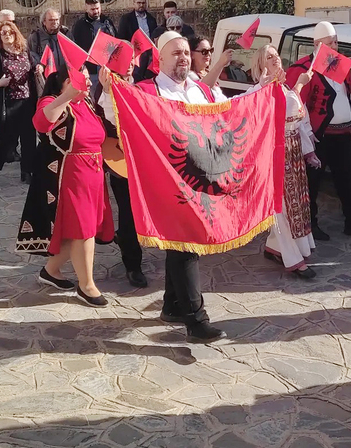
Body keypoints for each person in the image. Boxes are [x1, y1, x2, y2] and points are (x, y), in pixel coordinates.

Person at [101, 31, 225, 342]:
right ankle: (196, 320)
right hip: (167, 182)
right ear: (160, 59)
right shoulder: (147, 90)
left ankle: (172, 305)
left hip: (199, 180)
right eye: (176, 53)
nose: (184, 57)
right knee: (186, 246)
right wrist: (108, 91)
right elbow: (117, 116)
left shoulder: (201, 91)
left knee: (183, 246)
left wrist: (267, 87)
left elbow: (231, 111)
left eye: (186, 52)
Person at [16, 64, 114, 307]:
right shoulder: (53, 100)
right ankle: (87, 285)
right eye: (82, 78)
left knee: (79, 227)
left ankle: (50, 271)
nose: (89, 82)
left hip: (92, 173)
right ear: (65, 82)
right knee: (82, 229)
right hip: (69, 175)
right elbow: (41, 123)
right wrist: (69, 95)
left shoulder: (87, 104)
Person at [286, 20, 351, 242]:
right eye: (330, 42)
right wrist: (307, 136)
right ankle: (311, 225)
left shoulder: (338, 64)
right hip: (318, 137)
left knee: (347, 180)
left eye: (335, 41)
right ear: (317, 44)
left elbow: (348, 95)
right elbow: (298, 104)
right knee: (312, 184)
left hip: (342, 135)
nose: (334, 45)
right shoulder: (303, 69)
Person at [246, 45, 320, 278]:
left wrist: (309, 151)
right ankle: (292, 257)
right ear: (260, 65)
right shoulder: (257, 91)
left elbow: (298, 121)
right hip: (273, 154)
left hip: (294, 151)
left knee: (295, 203)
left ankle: (275, 246)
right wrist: (264, 86)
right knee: (280, 207)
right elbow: (251, 113)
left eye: (276, 55)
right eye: (269, 57)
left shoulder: (286, 89)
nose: (276, 59)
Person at [95, 65, 148, 289]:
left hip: (145, 160)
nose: (129, 68)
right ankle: (132, 264)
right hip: (120, 159)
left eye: (131, 63)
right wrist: (108, 91)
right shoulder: (104, 91)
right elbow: (111, 120)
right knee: (128, 212)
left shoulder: (145, 86)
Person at [0, 21, 38, 185]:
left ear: (15, 34)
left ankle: (27, 171)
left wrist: (38, 68)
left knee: (28, 138)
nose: (7, 35)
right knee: (5, 137)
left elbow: (33, 68)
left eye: (10, 32)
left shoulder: (24, 51)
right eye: (3, 33)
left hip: (27, 101)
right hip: (8, 103)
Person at [72, 0, 116, 94]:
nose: (95, 11)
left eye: (97, 8)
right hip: (91, 70)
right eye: (92, 9)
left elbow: (115, 40)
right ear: (86, 9)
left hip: (107, 67)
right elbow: (76, 48)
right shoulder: (80, 25)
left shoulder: (107, 22)